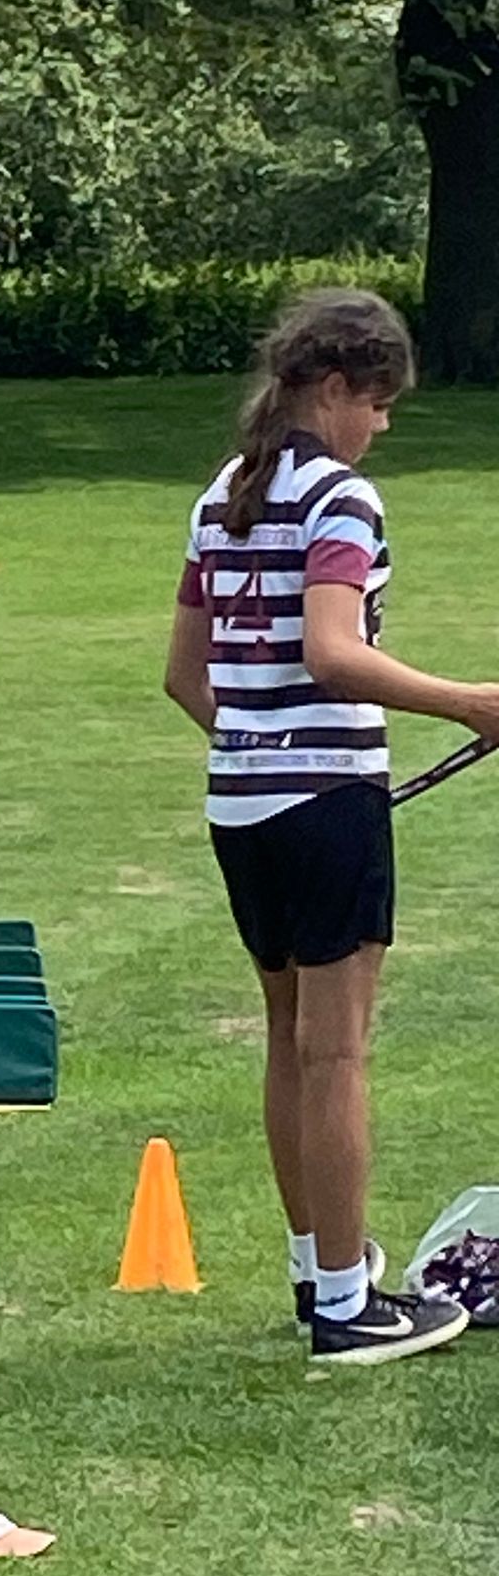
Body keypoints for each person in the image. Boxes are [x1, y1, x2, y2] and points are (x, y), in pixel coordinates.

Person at [164, 286, 499, 1366]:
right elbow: (333, 650)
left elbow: (184, 674)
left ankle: (323, 1271)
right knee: (339, 1053)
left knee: (288, 1040)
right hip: (327, 802)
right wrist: (469, 702)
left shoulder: (224, 493)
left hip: (243, 805)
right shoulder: (340, 499)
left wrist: (257, 738)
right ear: (336, 386)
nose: (384, 425)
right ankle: (351, 1306)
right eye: (379, 401)